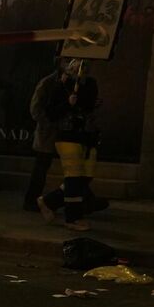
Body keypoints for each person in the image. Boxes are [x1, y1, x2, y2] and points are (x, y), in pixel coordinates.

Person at [35, 59, 104, 230]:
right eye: (75, 66)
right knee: (74, 175)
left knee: (84, 177)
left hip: (87, 137)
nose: (79, 69)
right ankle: (72, 217)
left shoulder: (90, 84)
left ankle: (50, 201)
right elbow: (51, 112)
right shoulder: (60, 86)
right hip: (67, 135)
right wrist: (67, 103)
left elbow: (88, 105)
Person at [24, 58, 69, 211]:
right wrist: (49, 122)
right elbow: (35, 109)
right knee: (41, 168)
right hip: (48, 133)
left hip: (63, 132)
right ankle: (32, 200)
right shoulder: (47, 83)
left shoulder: (70, 83)